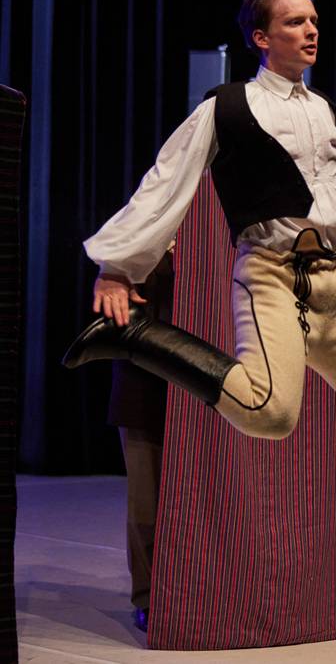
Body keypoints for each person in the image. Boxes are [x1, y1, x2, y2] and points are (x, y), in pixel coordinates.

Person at [63, 0, 336, 445]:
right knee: (269, 414)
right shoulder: (229, 106)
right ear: (262, 37)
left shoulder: (327, 112)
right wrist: (118, 270)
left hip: (334, 287)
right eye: (294, 22)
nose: (311, 31)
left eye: (313, 21)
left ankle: (298, 349)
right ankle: (136, 338)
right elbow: (165, 181)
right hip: (273, 277)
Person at [108, 251, 173, 632]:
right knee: (146, 498)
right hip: (143, 379)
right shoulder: (137, 235)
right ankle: (148, 596)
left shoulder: (218, 236)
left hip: (207, 376)